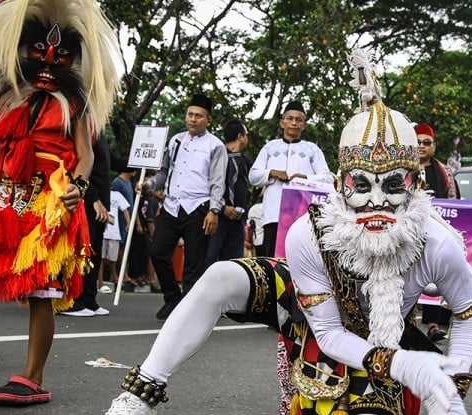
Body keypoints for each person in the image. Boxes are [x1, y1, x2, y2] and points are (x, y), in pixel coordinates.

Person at [80, 49, 472, 415]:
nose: (377, 201)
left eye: (394, 185)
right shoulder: (308, 234)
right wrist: (401, 365)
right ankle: (140, 398)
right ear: (341, 183)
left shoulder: (434, 241)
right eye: (362, 185)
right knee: (221, 276)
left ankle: (323, 411)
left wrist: (453, 388)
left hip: (381, 337)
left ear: (414, 184)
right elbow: (327, 330)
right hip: (312, 314)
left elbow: (470, 311)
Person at [0, 0, 119, 404]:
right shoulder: (11, 99)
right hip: (7, 201)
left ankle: (33, 376)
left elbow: (86, 155)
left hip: (49, 201)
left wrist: (78, 187)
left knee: (41, 292)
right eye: (37, 51)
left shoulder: (74, 105)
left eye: (61, 55)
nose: (48, 61)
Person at [143, 93, 228, 321]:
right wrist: (150, 184)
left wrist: (214, 210)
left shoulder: (216, 146)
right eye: (190, 114)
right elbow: (164, 171)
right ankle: (172, 297)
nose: (192, 119)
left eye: (198, 116)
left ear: (208, 120)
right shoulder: (176, 140)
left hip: (199, 208)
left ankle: (187, 313)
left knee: (193, 264)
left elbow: (218, 181)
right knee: (157, 251)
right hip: (172, 205)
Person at [248, 100, 333, 257]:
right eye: (290, 118)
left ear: (304, 125)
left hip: (302, 217)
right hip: (272, 215)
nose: (294, 123)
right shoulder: (270, 147)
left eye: (298, 120)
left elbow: (328, 179)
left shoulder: (312, 149)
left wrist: (306, 178)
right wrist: (272, 173)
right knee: (273, 262)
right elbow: (253, 176)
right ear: (282, 123)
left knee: (300, 260)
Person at [415, 123, 459, 342]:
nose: (422, 147)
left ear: (434, 146)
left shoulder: (444, 173)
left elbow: (455, 203)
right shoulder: (403, 169)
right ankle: (406, 323)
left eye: (426, 143)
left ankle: (433, 325)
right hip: (408, 232)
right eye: (418, 142)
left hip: (436, 231)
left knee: (433, 274)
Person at [61, 135, 114, 317]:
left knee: (94, 252)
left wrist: (144, 160)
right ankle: (73, 301)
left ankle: (89, 299)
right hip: (85, 201)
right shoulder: (85, 132)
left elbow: (113, 162)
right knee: (82, 251)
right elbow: (80, 168)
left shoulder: (100, 136)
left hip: (101, 205)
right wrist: (94, 199)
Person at [205, 117, 251, 263]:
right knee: (210, 258)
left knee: (233, 262)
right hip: (217, 216)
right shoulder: (218, 155)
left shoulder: (245, 161)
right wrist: (222, 208)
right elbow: (207, 185)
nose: (247, 138)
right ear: (240, 136)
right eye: (246, 134)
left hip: (238, 220)